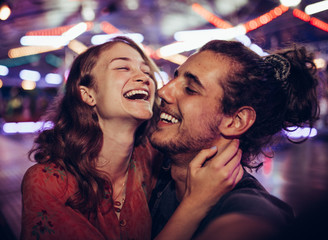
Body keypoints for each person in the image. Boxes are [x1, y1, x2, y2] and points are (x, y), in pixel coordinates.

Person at [20, 37, 244, 240]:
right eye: (123, 67)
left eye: (146, 71)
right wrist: (196, 203)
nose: (144, 78)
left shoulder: (148, 158)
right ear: (88, 94)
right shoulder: (47, 183)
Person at [149, 39, 320, 240]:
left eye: (190, 89)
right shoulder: (154, 174)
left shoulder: (248, 207)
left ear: (236, 121)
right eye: (174, 78)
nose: (163, 92)